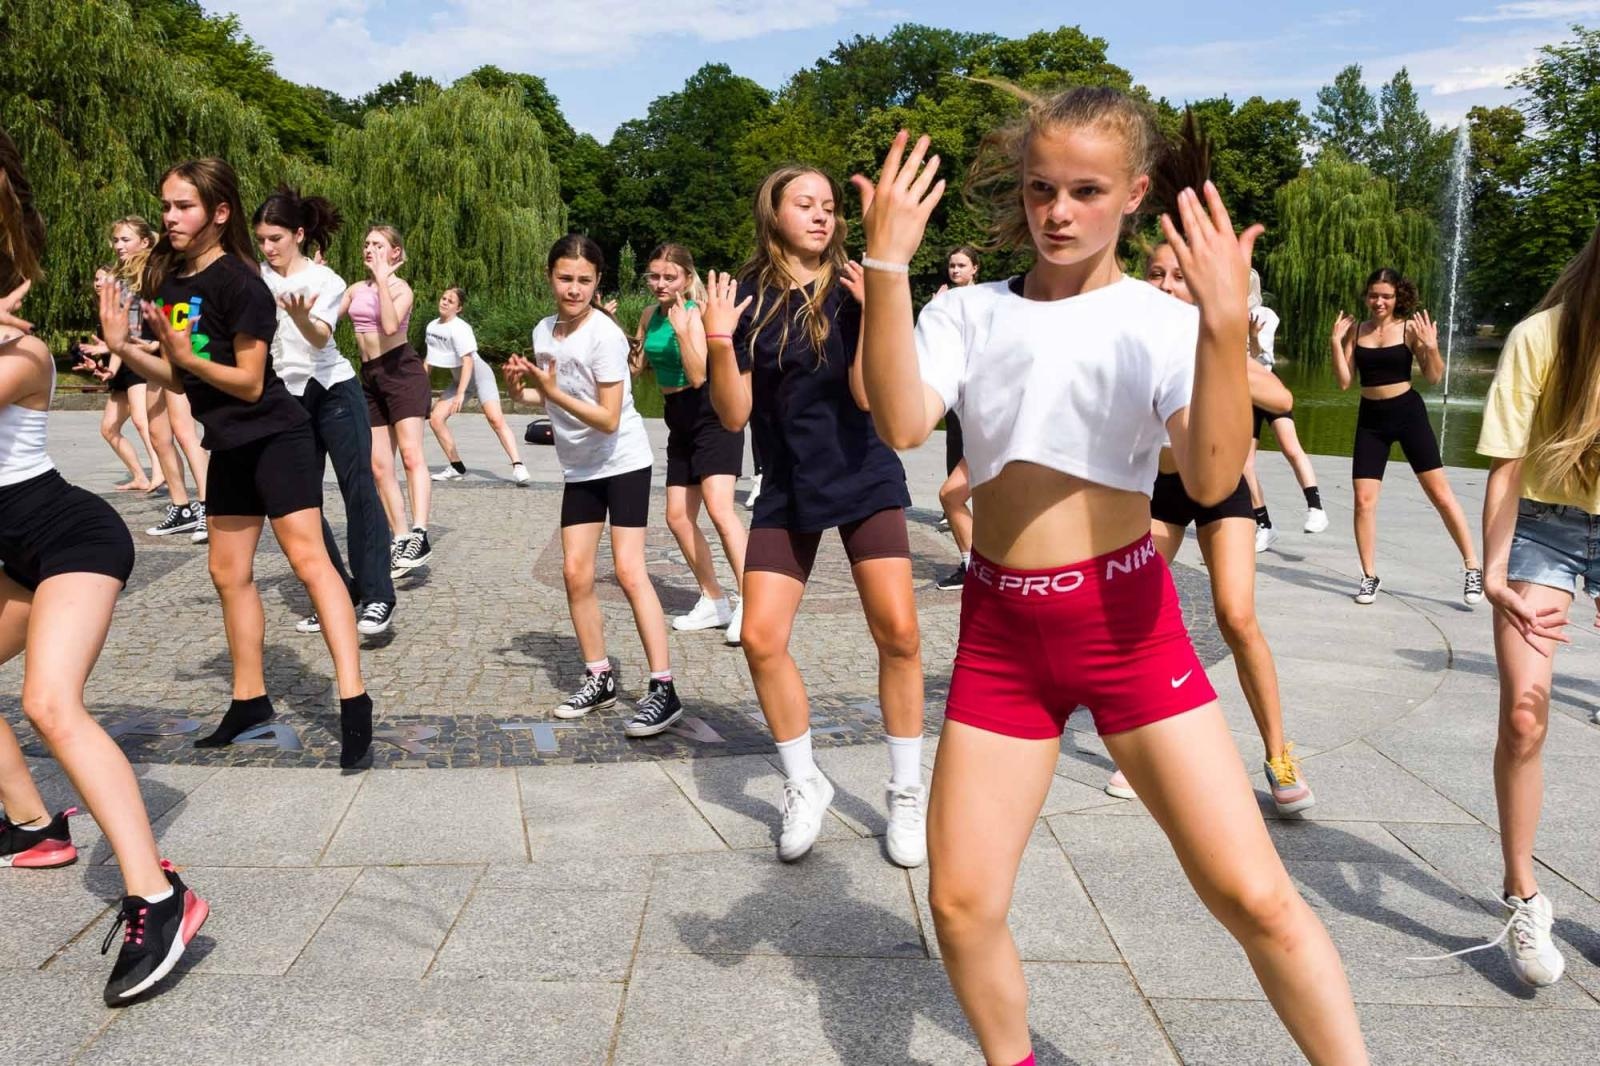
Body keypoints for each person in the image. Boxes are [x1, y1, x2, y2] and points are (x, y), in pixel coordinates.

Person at [853, 89, 1367, 1064]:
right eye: (1041, 188)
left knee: (1254, 896)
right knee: (961, 904)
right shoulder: (968, 312)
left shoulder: (1155, 323)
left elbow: (1212, 476)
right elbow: (901, 423)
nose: (1057, 211)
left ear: (1133, 194)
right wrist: (885, 266)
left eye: (1085, 190)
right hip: (1005, 634)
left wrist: (1221, 323)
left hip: (1127, 628)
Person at [0, 126, 209, 1006]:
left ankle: (160, 898)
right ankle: (34, 826)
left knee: (50, 701)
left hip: (68, 538)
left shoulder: (21, 354)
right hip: (11, 549)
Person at [98, 157, 375, 769]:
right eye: (166, 206)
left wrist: (183, 359)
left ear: (218, 214)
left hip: (278, 437)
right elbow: (178, 370)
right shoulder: (173, 284)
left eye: (184, 207)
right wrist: (123, 349)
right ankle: (250, 700)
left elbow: (249, 383)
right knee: (228, 573)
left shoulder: (242, 283)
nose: (170, 217)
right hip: (228, 444)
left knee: (310, 562)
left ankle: (354, 700)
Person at [702, 165, 928, 869]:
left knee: (898, 631)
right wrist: (715, 338)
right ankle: (805, 784)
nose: (823, 216)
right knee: (762, 639)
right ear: (773, 211)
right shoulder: (744, 298)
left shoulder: (859, 285)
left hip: (863, 475)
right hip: (787, 487)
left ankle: (906, 792)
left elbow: (868, 397)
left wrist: (876, 313)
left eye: (830, 206)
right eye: (807, 204)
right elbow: (732, 414)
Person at [1445, 222, 1600, 987]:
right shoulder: (1542, 337)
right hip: (1544, 526)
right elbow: (1506, 467)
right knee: (1524, 710)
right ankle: (1522, 894)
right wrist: (1494, 575)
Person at [1121, 237, 1315, 817]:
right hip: (1155, 492)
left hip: (1221, 485)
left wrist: (1221, 357)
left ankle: (1280, 755)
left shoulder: (1215, 341)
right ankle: (1143, 750)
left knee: (1235, 615)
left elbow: (1282, 397)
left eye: (1178, 276)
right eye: (1155, 274)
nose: (1164, 285)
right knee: (1139, 616)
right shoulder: (1131, 342)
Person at [503, 235, 683, 738]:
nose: (574, 288)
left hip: (623, 459)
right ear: (549, 276)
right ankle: (599, 676)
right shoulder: (544, 331)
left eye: (584, 280)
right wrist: (524, 392)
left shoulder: (603, 334)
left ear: (597, 281)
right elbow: (552, 406)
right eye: (565, 278)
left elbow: (606, 418)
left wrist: (552, 389)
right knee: (574, 571)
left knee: (628, 571)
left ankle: (663, 689)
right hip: (580, 467)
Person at [253, 187, 397, 636]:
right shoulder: (255, 277)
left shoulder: (326, 281)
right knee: (304, 502)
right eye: (261, 239)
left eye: (275, 237)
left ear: (298, 234)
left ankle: (377, 596)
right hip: (285, 397)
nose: (268, 247)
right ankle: (335, 589)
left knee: (359, 490)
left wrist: (297, 316)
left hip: (333, 390)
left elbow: (319, 338)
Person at [1332, 269, 1481, 605]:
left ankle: (1472, 566)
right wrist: (1336, 344)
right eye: (1374, 295)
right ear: (1367, 296)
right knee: (1363, 501)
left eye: (1386, 295)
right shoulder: (1359, 330)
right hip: (1371, 419)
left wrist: (1431, 347)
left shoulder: (1409, 329)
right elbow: (1344, 382)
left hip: (1408, 414)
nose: (1379, 301)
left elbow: (1433, 376)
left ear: (1398, 297)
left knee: (1440, 495)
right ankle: (1369, 576)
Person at [633, 243, 748, 644]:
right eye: (654, 276)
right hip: (676, 415)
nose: (660, 284)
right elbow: (640, 367)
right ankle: (713, 599)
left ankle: (751, 602)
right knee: (677, 517)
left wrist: (684, 333)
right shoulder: (650, 314)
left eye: (669, 276)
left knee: (720, 509)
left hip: (711, 412)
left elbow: (699, 375)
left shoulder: (697, 313)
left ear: (687, 276)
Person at [341, 226, 433, 576]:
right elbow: (324, 324)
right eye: (366, 244)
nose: (369, 249)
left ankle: (420, 532)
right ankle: (399, 536)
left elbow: (391, 326)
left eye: (378, 245)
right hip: (370, 377)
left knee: (411, 455)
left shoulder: (400, 289)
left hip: (401, 373)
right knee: (379, 466)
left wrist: (382, 280)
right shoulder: (354, 289)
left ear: (395, 253)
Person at [1239, 269, 1329, 551]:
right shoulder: (1222, 314)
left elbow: (1259, 357)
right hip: (1241, 392)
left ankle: (1315, 507)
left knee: (1291, 447)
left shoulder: (1266, 314)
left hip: (1266, 386)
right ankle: (1264, 525)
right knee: (1244, 465)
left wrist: (1252, 335)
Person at [75, 219, 161, 492]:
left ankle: (161, 472)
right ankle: (140, 475)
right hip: (126, 360)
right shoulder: (124, 281)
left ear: (145, 242)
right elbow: (119, 336)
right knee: (109, 427)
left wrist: (155, 344)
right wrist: (110, 367)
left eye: (126, 240)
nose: (119, 246)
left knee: (143, 420)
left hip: (144, 355)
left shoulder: (151, 273)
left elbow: (141, 325)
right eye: (116, 240)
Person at [424, 287, 531, 486]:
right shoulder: (432, 327)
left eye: (451, 301)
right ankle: (456, 467)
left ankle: (518, 465)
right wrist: (420, 388)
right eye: (443, 298)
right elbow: (429, 360)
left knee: (495, 419)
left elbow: (468, 362)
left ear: (459, 308)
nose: (445, 302)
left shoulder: (461, 328)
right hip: (459, 380)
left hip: (480, 377)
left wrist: (461, 394)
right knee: (436, 419)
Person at [935, 246, 980, 590]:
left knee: (963, 493)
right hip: (958, 406)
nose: (955, 270)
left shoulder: (985, 303)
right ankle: (972, 565)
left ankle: (980, 566)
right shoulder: (944, 301)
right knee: (952, 491)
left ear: (975, 269)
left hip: (985, 408)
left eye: (961, 265)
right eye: (951, 265)